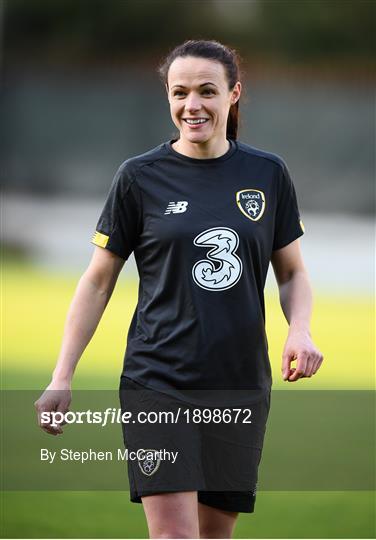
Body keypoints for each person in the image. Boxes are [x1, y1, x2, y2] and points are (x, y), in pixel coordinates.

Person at [35, 39, 323, 539]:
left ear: (234, 95)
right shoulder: (139, 177)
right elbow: (98, 281)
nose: (192, 105)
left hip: (239, 382)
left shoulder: (267, 174)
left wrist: (300, 330)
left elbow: (293, 272)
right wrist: (63, 374)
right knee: (175, 536)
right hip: (158, 377)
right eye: (180, 92)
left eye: (207, 91)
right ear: (168, 98)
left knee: (213, 536)